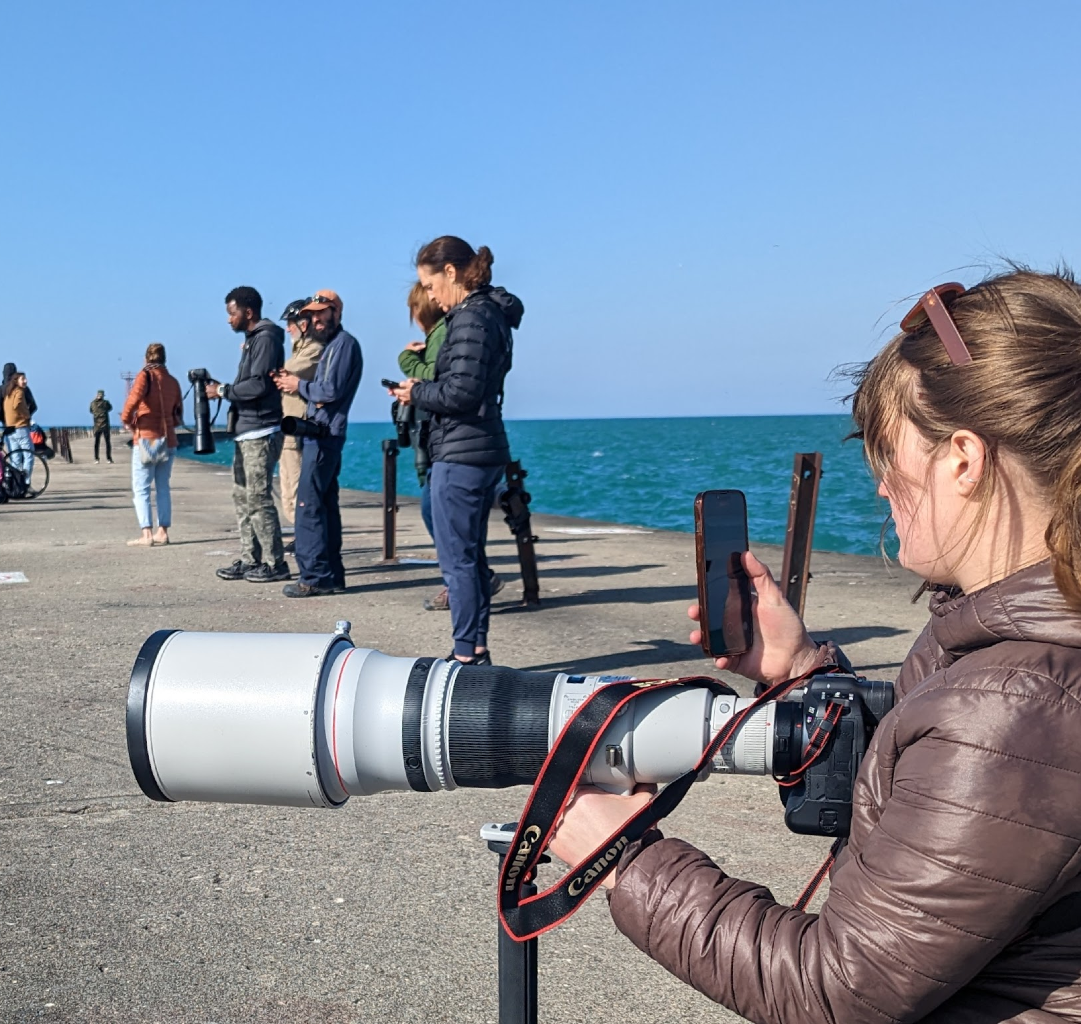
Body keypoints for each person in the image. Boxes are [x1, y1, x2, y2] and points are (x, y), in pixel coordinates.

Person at [550, 268, 1081, 1023]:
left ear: (963, 458)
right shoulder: (1020, 641)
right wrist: (804, 671)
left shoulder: (1017, 702)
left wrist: (628, 859)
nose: (881, 486)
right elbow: (953, 800)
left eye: (890, 453)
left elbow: (835, 990)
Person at [392, 238, 522, 664]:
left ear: (451, 272)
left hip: (462, 449)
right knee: (469, 554)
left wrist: (418, 391)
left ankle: (467, 653)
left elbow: (462, 391)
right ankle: (474, 647)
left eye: (429, 284)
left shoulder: (470, 318)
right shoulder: (487, 313)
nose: (428, 295)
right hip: (480, 446)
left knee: (458, 560)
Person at [273, 290, 363, 597]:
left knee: (308, 505)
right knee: (325, 505)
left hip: (324, 434)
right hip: (323, 432)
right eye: (311, 314)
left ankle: (313, 577)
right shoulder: (335, 346)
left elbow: (330, 390)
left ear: (335, 311)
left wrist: (297, 385)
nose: (315, 318)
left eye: (320, 313)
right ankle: (331, 575)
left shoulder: (344, 345)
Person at [207, 286, 290, 583]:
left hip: (262, 429)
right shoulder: (253, 341)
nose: (229, 320)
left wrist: (223, 391)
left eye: (232, 313)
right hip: (247, 430)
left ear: (248, 312)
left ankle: (274, 563)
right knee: (242, 498)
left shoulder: (266, 339)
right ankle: (250, 558)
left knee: (257, 498)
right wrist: (226, 390)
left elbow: (258, 386)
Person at [122, 343, 183, 547]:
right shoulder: (173, 382)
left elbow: (130, 405)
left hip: (146, 440)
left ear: (146, 358)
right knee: (163, 487)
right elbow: (178, 415)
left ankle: (146, 534)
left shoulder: (144, 376)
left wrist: (129, 423)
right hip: (168, 440)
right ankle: (162, 532)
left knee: (142, 488)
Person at [277, 298, 325, 542]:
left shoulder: (314, 349)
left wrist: (273, 369)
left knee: (296, 485)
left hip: (298, 424)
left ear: (303, 324)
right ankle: (301, 534)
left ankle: (305, 537)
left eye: (290, 323)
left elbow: (286, 371)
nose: (288, 329)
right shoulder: (300, 349)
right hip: (288, 424)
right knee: (287, 487)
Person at [1, 371, 35, 494]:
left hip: (10, 430)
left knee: (15, 459)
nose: (25, 381)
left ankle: (16, 486)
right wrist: (27, 416)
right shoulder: (19, 392)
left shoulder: (8, 393)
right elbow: (17, 405)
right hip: (21, 428)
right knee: (29, 455)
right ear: (16, 381)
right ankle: (25, 483)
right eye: (23, 379)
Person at [0, 362, 37, 438]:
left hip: (8, 424)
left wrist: (5, 420)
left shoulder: (0, 390)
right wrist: (25, 417)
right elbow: (33, 406)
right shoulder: (23, 389)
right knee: (26, 448)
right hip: (22, 424)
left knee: (12, 448)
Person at [90, 390, 114, 463]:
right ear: (103, 395)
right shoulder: (106, 403)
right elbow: (110, 408)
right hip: (105, 425)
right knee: (107, 442)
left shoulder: (92, 403)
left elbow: (91, 411)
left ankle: (97, 459)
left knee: (97, 443)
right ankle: (108, 459)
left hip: (97, 425)